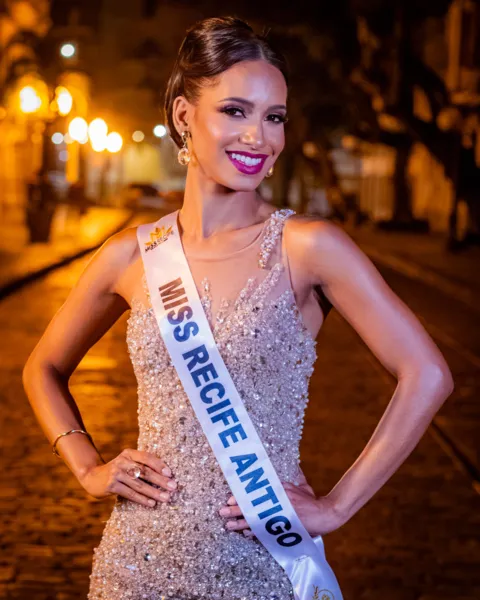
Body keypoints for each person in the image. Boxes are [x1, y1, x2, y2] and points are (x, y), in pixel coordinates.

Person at [22, 16, 454, 600]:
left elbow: (427, 374)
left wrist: (335, 507)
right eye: (235, 111)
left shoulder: (309, 247)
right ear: (182, 116)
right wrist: (88, 467)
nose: (259, 136)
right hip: (135, 566)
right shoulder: (131, 254)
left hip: (263, 563)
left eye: (273, 116)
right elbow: (41, 368)